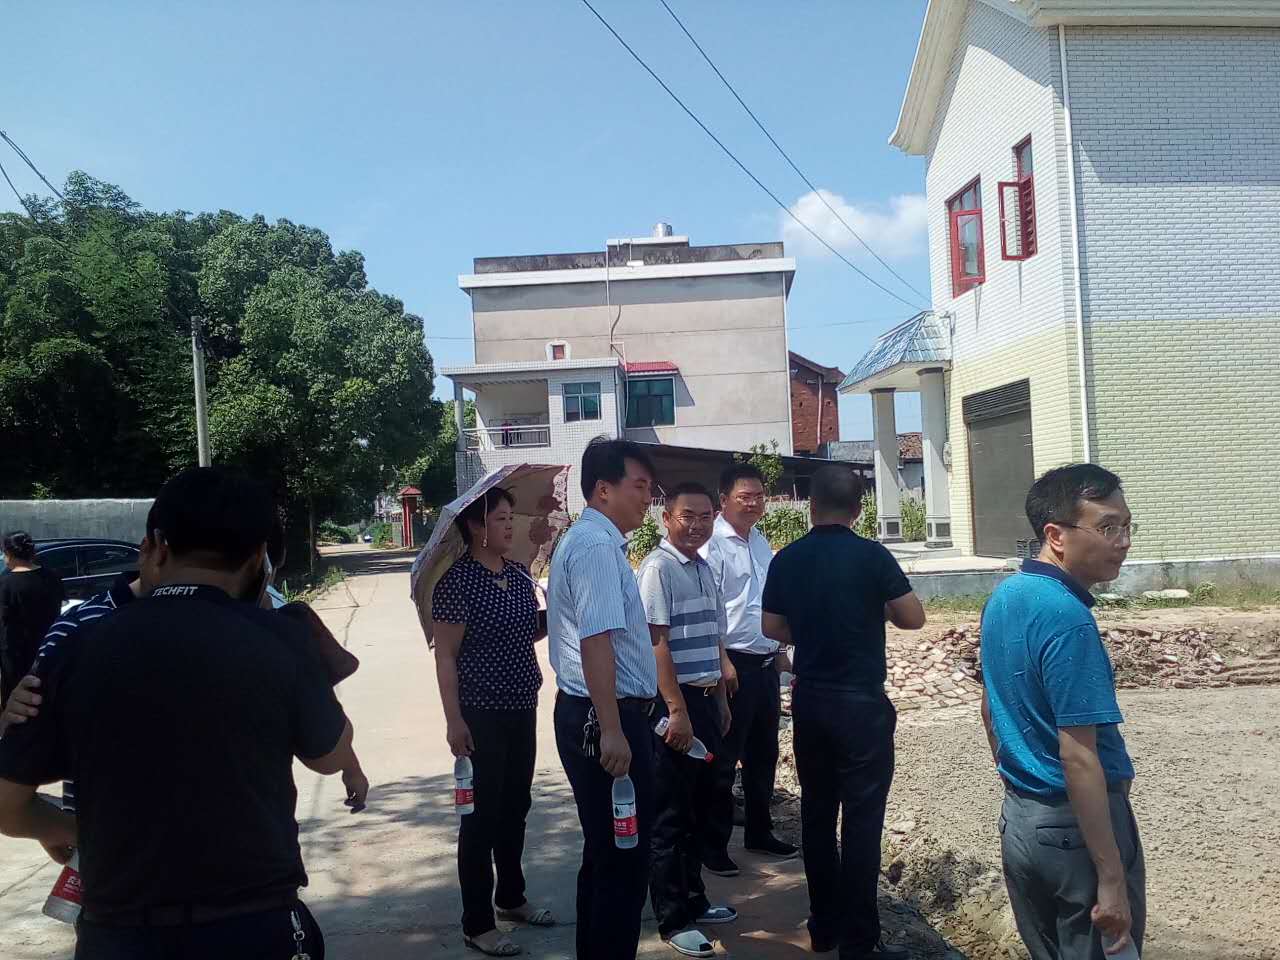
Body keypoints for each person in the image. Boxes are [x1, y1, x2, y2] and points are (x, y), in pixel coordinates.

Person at [0, 466, 362, 959]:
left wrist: (80, 832)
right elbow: (330, 756)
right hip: (254, 927)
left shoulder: (77, 645)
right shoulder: (281, 637)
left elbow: (9, 806)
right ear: (259, 557)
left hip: (121, 934)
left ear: (155, 546)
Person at [980, 464, 1144, 960]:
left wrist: (1020, 778)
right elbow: (1079, 756)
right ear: (1055, 535)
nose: (1122, 542)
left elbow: (990, 708)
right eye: (1107, 527)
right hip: (1077, 832)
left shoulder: (1005, 597)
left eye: (1127, 526)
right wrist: (1110, 878)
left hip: (1023, 822)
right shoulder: (1067, 618)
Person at [761, 465, 924, 960]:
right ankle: (859, 941)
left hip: (811, 701)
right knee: (861, 823)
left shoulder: (787, 558)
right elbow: (913, 618)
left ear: (810, 507)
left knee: (816, 814)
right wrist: (870, 614)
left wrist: (814, 631)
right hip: (860, 706)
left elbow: (771, 627)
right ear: (858, 509)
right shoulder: (872, 556)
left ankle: (823, 926)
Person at [547, 437, 660, 960]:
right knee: (622, 860)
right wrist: (613, 729)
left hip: (600, 713)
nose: (647, 498)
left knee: (606, 853)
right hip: (604, 719)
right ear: (603, 489)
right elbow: (596, 640)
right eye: (639, 486)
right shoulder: (594, 546)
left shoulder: (595, 542)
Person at [432, 486, 553, 957]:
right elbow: (446, 656)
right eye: (500, 519)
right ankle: (477, 923)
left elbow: (529, 630)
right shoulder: (457, 583)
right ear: (476, 527)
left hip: (522, 706)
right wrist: (454, 721)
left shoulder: (519, 575)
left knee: (515, 807)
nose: (509, 526)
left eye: (509, 518)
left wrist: (554, 606)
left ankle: (511, 898)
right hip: (480, 713)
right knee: (480, 818)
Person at [637, 482, 737, 958]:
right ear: (666, 518)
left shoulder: (702, 566)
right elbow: (656, 643)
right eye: (687, 516)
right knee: (670, 815)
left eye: (705, 516)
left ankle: (695, 898)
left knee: (701, 805)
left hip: (705, 698)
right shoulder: (658, 569)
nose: (697, 525)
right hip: (674, 706)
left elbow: (715, 635)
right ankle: (673, 918)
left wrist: (720, 697)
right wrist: (676, 709)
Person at [699, 463, 796, 875]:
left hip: (765, 663)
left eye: (759, 496)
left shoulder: (760, 541)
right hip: (732, 664)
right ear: (724, 499)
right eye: (745, 496)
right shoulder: (713, 545)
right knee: (724, 757)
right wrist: (721, 661)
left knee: (763, 752)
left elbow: (766, 602)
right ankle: (714, 845)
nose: (754, 503)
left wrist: (780, 651)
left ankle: (760, 830)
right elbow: (709, 610)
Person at [0, 531, 65, 706]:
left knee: (16, 703)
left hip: (15, 656)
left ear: (9, 553)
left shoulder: (5, 584)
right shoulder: (51, 577)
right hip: (49, 649)